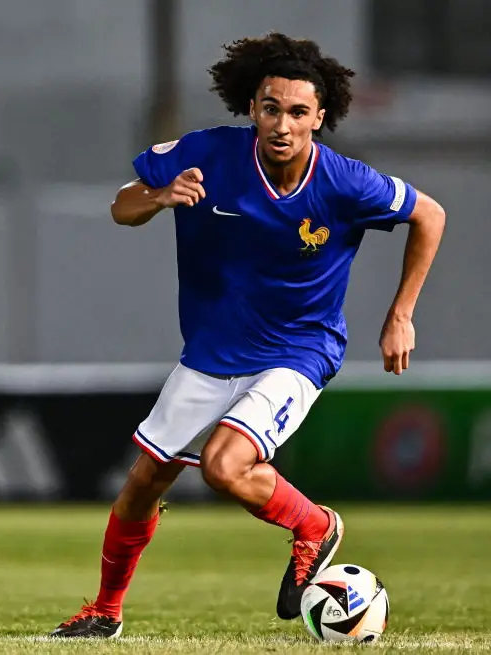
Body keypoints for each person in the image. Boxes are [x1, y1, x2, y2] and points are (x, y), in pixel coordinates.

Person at [51, 33, 445, 638]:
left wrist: (401, 313)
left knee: (224, 466)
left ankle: (314, 525)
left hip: (297, 349)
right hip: (211, 353)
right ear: (251, 109)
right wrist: (158, 197)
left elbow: (429, 214)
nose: (281, 123)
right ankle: (104, 611)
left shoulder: (344, 182)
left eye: (296, 112)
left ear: (320, 117)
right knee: (142, 485)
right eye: (269, 107)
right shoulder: (207, 154)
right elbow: (120, 206)